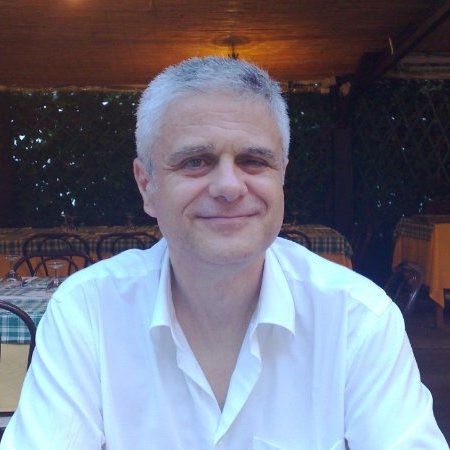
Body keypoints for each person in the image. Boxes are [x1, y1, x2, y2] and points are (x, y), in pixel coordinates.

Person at [1, 57, 448, 450]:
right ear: (147, 185)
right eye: (195, 161)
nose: (230, 187)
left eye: (254, 161)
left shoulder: (358, 317)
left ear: (282, 177)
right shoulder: (87, 311)